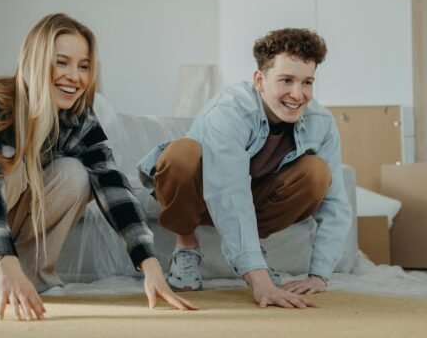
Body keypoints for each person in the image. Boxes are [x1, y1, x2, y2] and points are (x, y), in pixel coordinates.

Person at [0, 13, 196, 320]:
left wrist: (149, 264)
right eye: (62, 62)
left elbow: (112, 186)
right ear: (36, 62)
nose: (74, 76)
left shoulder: (78, 120)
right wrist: (4, 260)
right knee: (7, 160)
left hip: (5, 201)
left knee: (76, 174)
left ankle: (35, 279)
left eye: (84, 66)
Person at [138, 28, 351, 309]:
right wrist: (259, 280)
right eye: (286, 80)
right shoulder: (230, 111)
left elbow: (335, 203)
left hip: (254, 199)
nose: (298, 94)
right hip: (201, 196)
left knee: (317, 172)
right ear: (259, 80)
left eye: (307, 82)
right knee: (182, 153)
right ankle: (187, 245)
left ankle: (254, 254)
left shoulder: (321, 122)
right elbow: (229, 192)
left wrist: (320, 275)